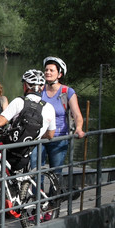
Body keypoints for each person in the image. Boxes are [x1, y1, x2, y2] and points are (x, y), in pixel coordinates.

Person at [0, 69, 56, 171]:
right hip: (25, 155)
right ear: (42, 87)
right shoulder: (50, 108)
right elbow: (50, 134)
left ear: (25, 85)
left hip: (9, 152)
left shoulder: (19, 102)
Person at [37, 56, 85, 194]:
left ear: (60, 74)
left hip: (58, 138)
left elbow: (77, 115)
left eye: (51, 70)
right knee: (35, 172)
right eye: (46, 70)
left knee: (55, 174)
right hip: (40, 138)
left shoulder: (66, 92)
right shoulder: (40, 90)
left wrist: (79, 128)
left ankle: (52, 205)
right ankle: (37, 204)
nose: (47, 72)